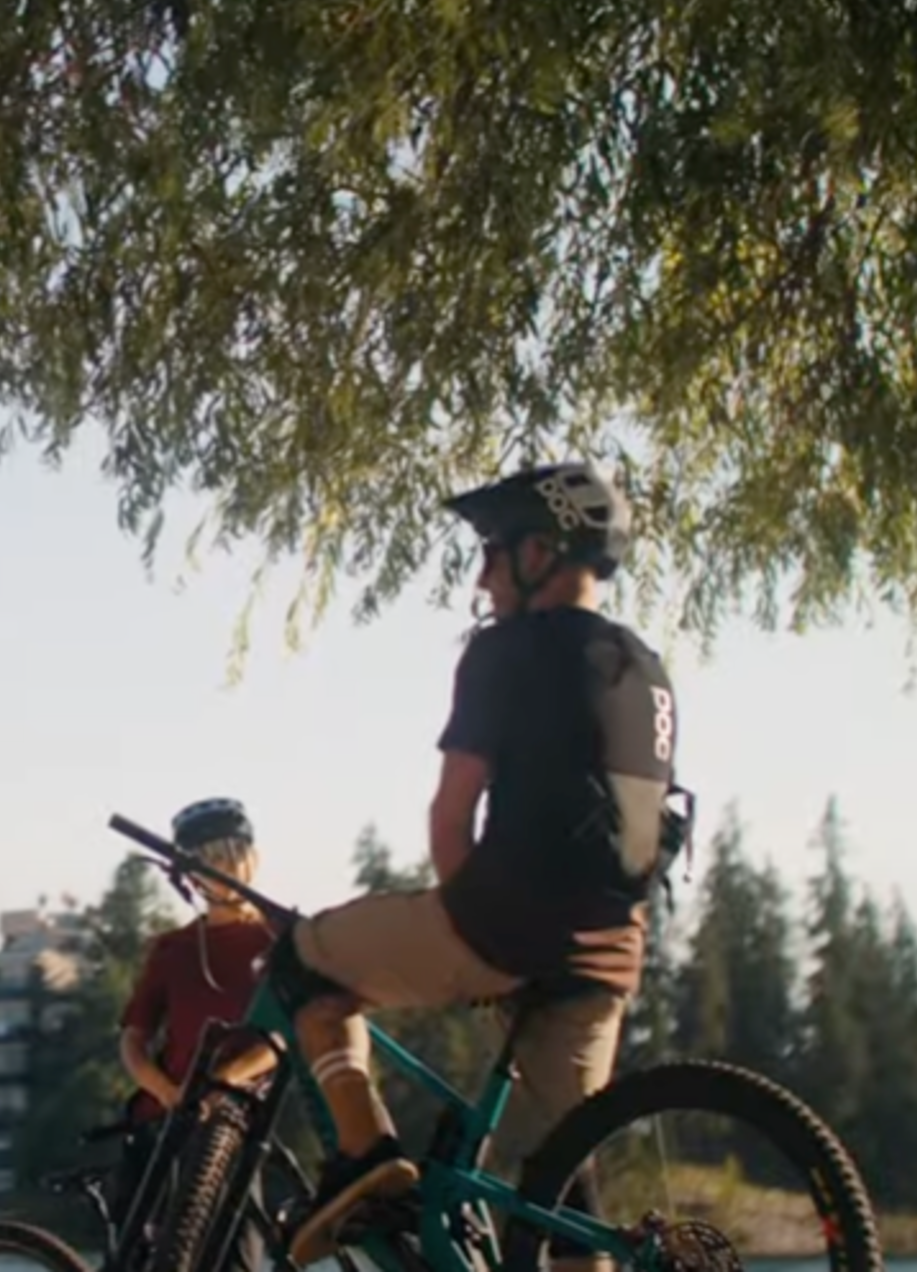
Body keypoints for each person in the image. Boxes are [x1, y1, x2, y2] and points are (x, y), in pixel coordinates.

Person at [268, 464, 680, 1265]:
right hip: (608, 948)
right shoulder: (648, 669)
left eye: (493, 552)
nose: (482, 575)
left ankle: (368, 1155)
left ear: (542, 551)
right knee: (564, 1182)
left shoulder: (505, 652)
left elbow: (450, 814)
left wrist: (476, 939)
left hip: (503, 924)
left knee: (299, 964)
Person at [115, 797, 283, 1246]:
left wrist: (222, 1081)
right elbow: (134, 1039)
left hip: (236, 1119)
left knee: (237, 1249)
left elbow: (283, 1036)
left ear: (252, 858)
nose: (223, 868)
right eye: (209, 860)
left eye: (233, 854)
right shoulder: (175, 949)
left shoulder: (278, 940)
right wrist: (166, 1091)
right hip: (165, 1120)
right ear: (189, 874)